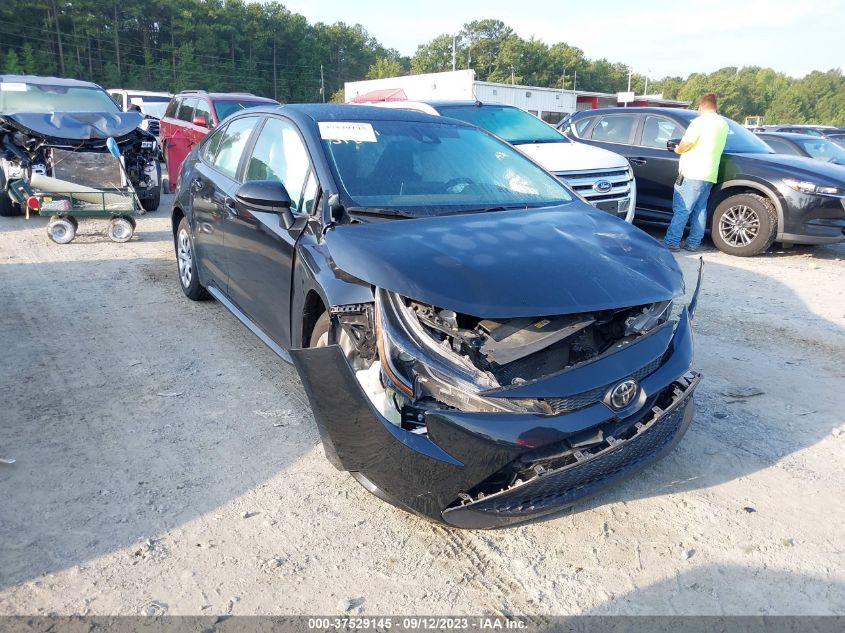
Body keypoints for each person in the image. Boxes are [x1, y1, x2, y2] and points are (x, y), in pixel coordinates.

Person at [663, 92, 728, 252]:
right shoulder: (723, 124)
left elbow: (687, 143)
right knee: (700, 209)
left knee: (683, 208)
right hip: (710, 174)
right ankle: (693, 243)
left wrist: (678, 149)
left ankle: (672, 241)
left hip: (693, 172)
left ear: (701, 106)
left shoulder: (699, 122)